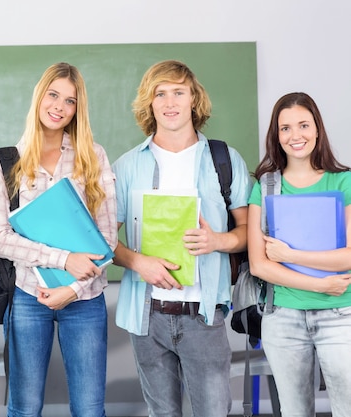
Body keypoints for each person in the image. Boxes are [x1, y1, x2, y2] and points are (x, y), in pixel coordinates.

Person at [110, 59, 251, 416]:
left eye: (178, 92)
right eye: (160, 93)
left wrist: (218, 241)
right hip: (147, 316)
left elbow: (249, 231)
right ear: (150, 103)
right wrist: (138, 261)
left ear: (193, 100)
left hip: (204, 316)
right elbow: (103, 240)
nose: (170, 102)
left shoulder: (224, 159)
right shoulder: (126, 166)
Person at [0, 62, 117, 417]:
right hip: (29, 296)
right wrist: (63, 260)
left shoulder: (94, 157)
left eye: (70, 101)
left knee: (90, 409)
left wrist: (71, 289)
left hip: (85, 299)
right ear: (39, 97)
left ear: (78, 109)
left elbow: (108, 239)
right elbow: (0, 239)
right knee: (25, 407)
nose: (59, 107)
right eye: (53, 95)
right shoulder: (6, 161)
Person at [247, 92, 351, 416]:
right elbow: (259, 265)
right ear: (276, 136)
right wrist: (321, 284)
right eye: (286, 128)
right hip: (283, 318)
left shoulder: (343, 181)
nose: (296, 136)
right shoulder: (265, 187)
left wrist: (291, 254)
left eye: (304, 125)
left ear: (317, 129)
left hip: (340, 317)